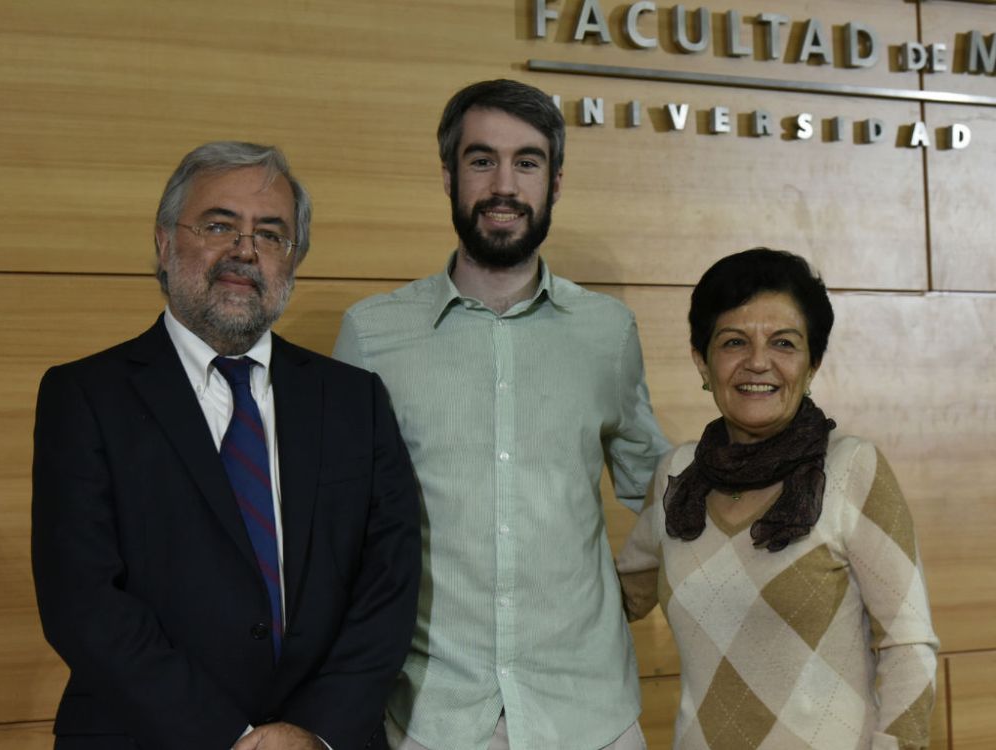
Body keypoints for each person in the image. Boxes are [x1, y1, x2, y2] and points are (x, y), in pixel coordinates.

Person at [31, 141, 421, 750]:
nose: (245, 250)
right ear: (164, 242)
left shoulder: (356, 400)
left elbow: (389, 583)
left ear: (293, 260)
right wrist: (229, 738)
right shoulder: (84, 396)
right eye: (219, 225)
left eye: (271, 234)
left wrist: (316, 731)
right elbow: (82, 602)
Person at [332, 79, 670, 750]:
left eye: (528, 161)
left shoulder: (607, 331)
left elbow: (660, 482)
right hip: (431, 717)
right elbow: (335, 524)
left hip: (591, 714)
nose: (504, 184)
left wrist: (639, 577)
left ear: (556, 180)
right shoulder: (372, 334)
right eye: (482, 160)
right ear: (450, 175)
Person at [617, 248, 939, 749]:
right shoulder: (675, 477)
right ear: (703, 360)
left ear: (812, 364)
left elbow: (909, 646)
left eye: (784, 343)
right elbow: (614, 599)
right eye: (733, 342)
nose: (758, 361)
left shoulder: (852, 468)